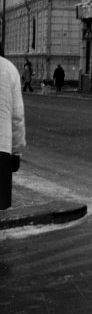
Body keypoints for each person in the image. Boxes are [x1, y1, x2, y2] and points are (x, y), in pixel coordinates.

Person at [0, 55, 26, 211]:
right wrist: (16, 151)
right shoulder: (9, 69)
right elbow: (17, 117)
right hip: (2, 148)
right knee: (1, 213)